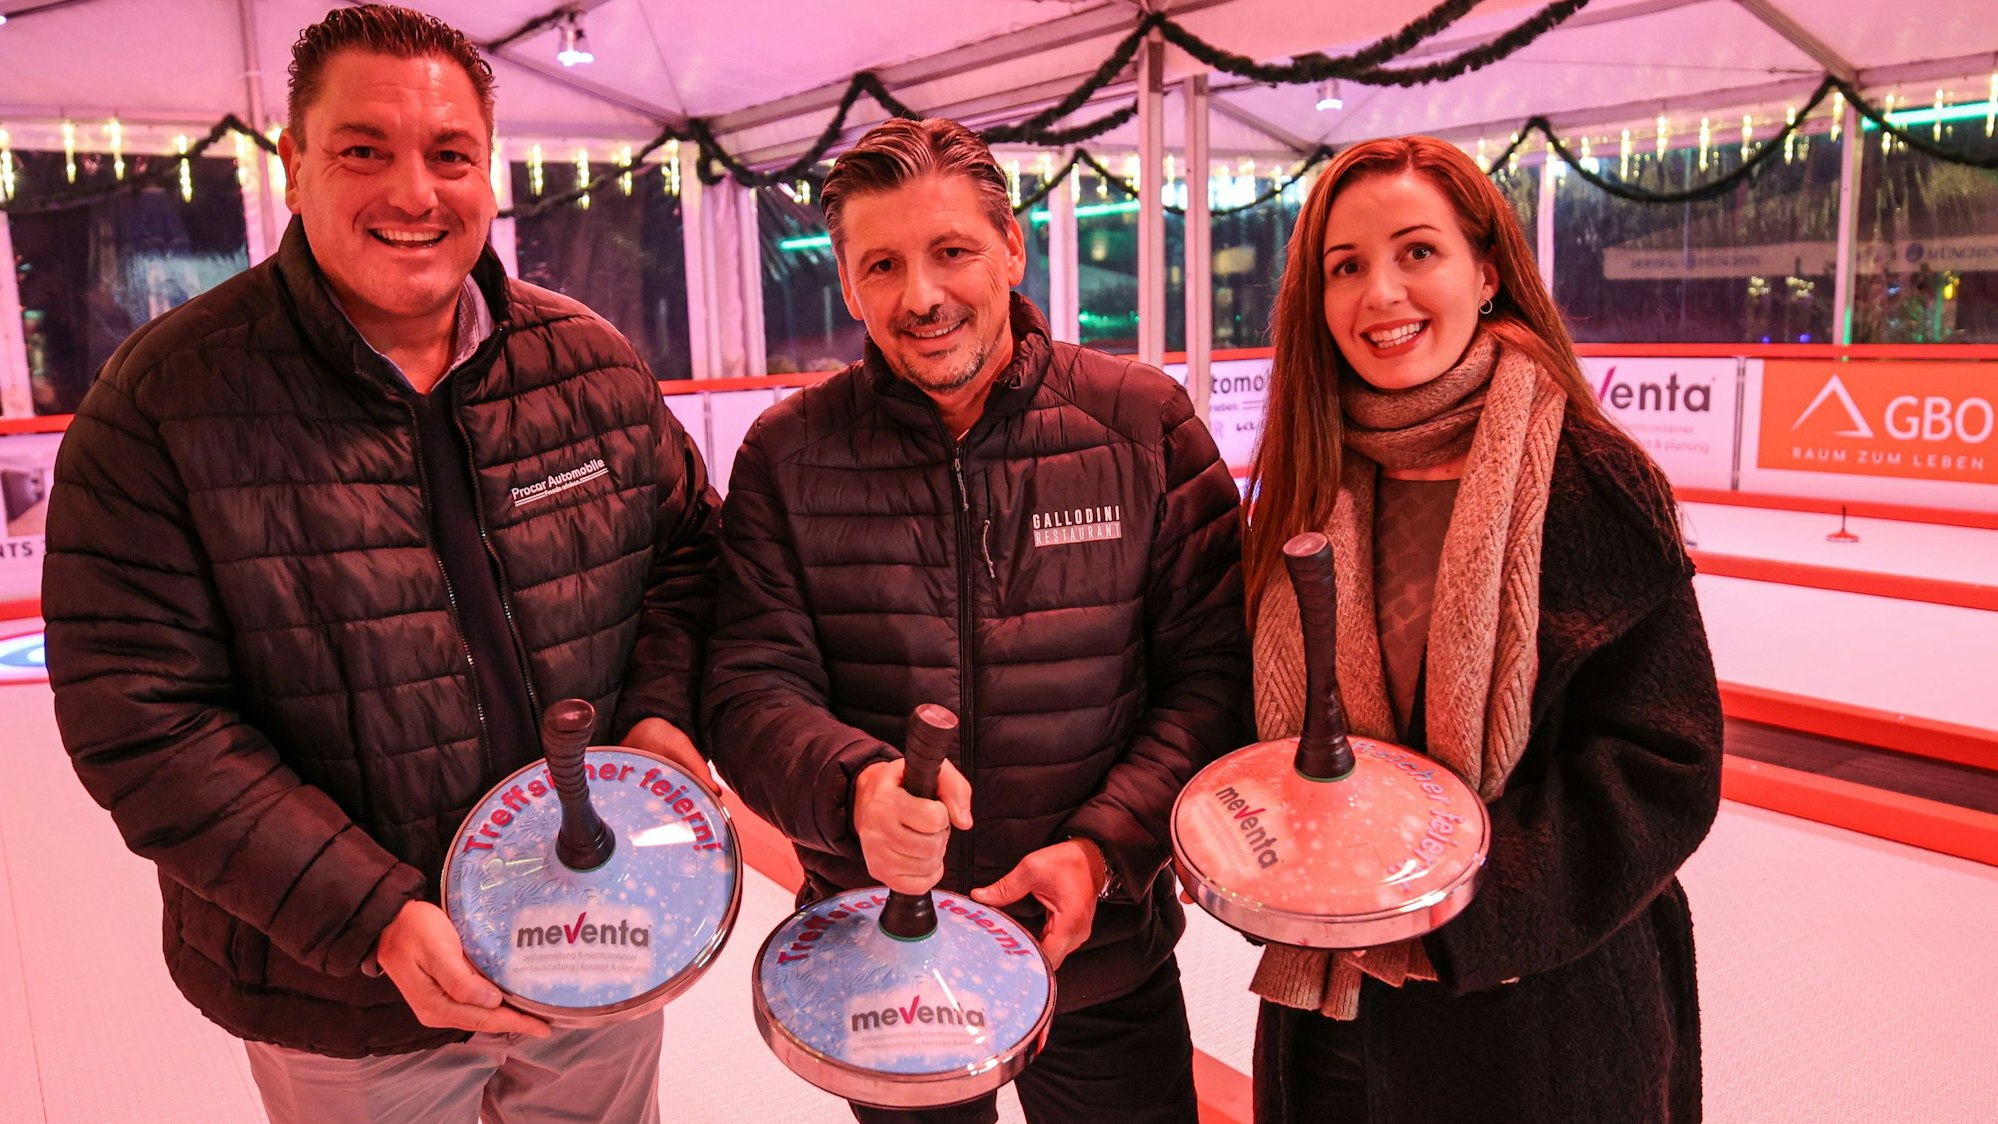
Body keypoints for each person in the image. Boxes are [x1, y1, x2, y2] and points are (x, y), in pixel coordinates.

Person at [42, 7, 718, 1122]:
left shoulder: (589, 366)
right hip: (346, 993)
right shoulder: (164, 403)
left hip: (598, 928)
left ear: (488, 170)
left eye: (449, 155)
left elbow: (687, 562)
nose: (415, 193)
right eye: (364, 150)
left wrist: (657, 717)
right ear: (293, 163)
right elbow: (143, 719)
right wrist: (369, 914)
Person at [704, 117, 1249, 1124]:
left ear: (1012, 248)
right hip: (883, 952)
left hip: (1099, 948)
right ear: (848, 284)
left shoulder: (1142, 426)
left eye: (951, 250)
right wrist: (854, 790)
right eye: (883, 264)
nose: (921, 295)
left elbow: (1215, 677)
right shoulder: (789, 454)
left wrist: (1103, 850)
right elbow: (747, 688)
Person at [1239, 135, 1723, 1124]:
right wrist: (1261, 860)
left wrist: (1454, 908)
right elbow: (1253, 730)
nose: (1381, 293)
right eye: (1346, 266)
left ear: (1488, 272)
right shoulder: (1305, 479)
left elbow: (1664, 764)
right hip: (1337, 1017)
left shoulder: (1593, 480)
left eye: (1417, 251)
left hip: (1539, 1023)